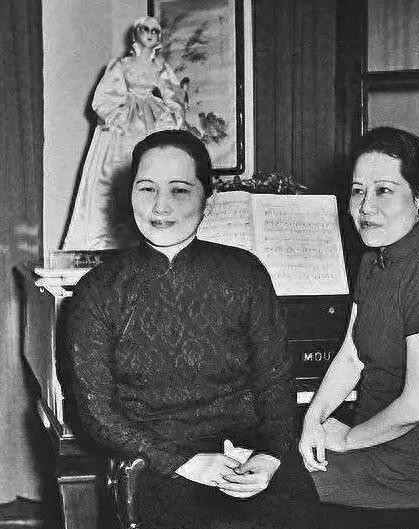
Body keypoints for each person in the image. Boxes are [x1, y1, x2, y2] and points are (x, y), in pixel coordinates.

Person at [65, 129, 318, 529]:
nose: (160, 206)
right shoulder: (97, 290)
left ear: (207, 199)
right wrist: (188, 463)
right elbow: (97, 415)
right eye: (147, 188)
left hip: (247, 455)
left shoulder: (245, 273)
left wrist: (270, 456)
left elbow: (276, 380)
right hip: (154, 461)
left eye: (179, 190)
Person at [298, 127, 419, 514]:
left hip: (406, 471)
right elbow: (351, 357)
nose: (366, 207)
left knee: (268, 488)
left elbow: (417, 406)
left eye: (384, 191)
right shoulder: (373, 261)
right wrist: (314, 418)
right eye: (358, 191)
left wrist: (346, 440)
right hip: (370, 442)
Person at [63, 16, 185, 250]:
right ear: (136, 34)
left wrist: (169, 117)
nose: (151, 34)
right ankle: (107, 241)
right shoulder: (122, 64)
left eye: (155, 31)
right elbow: (104, 98)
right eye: (146, 29)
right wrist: (117, 116)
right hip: (124, 124)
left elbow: (175, 97)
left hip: (151, 121)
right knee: (115, 175)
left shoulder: (161, 67)